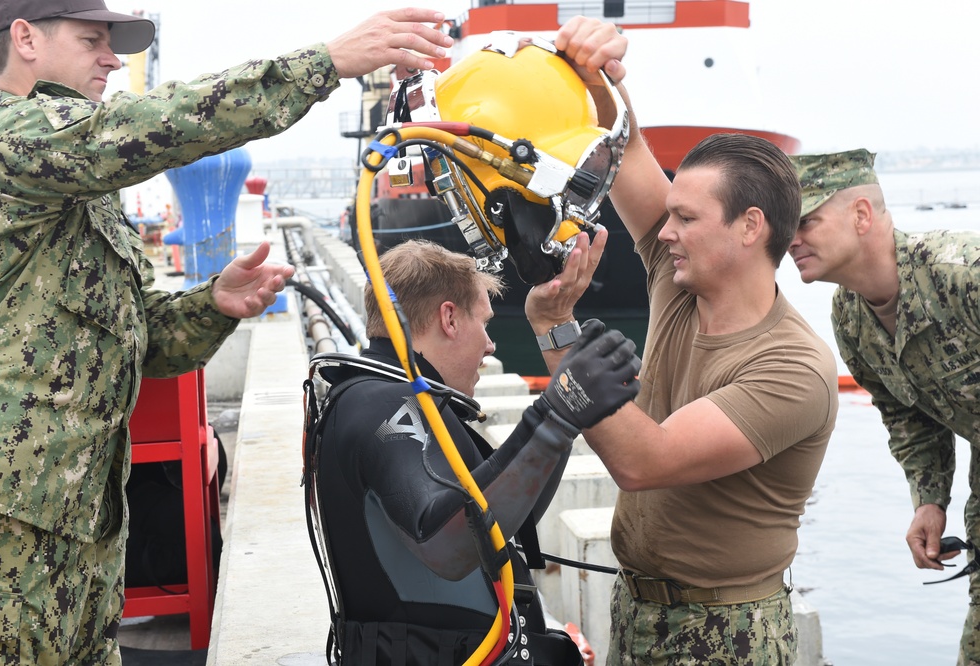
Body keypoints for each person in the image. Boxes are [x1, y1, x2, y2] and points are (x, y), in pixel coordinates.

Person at [0, 1, 454, 663]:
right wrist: (324, 65)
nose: (114, 60)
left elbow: (149, 343)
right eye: (93, 40)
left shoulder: (77, 185)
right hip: (13, 525)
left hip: (82, 520)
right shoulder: (12, 139)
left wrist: (214, 304)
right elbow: (155, 124)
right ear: (24, 40)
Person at [522, 17, 840, 664]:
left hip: (726, 633)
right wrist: (600, 72)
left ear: (750, 228)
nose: (664, 230)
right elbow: (631, 151)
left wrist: (558, 334)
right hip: (638, 609)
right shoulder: (679, 278)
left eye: (685, 218)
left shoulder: (793, 367)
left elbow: (646, 462)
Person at [306, 239, 641, 665]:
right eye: (484, 323)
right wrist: (554, 416)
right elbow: (448, 545)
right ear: (449, 317)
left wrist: (567, 419)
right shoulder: (383, 407)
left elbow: (504, 519)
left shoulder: (393, 398)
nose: (490, 344)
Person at [789, 148, 980, 663]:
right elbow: (905, 413)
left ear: (861, 215)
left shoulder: (964, 275)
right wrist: (929, 499)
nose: (790, 239)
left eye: (806, 220)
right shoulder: (850, 317)